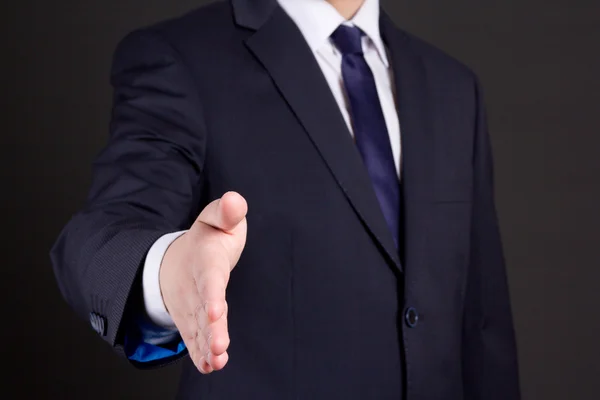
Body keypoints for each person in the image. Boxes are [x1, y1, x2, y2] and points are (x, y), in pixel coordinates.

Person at [51, 0, 520, 398]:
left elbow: (483, 325)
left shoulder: (454, 87)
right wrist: (166, 270)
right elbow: (105, 232)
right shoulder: (181, 58)